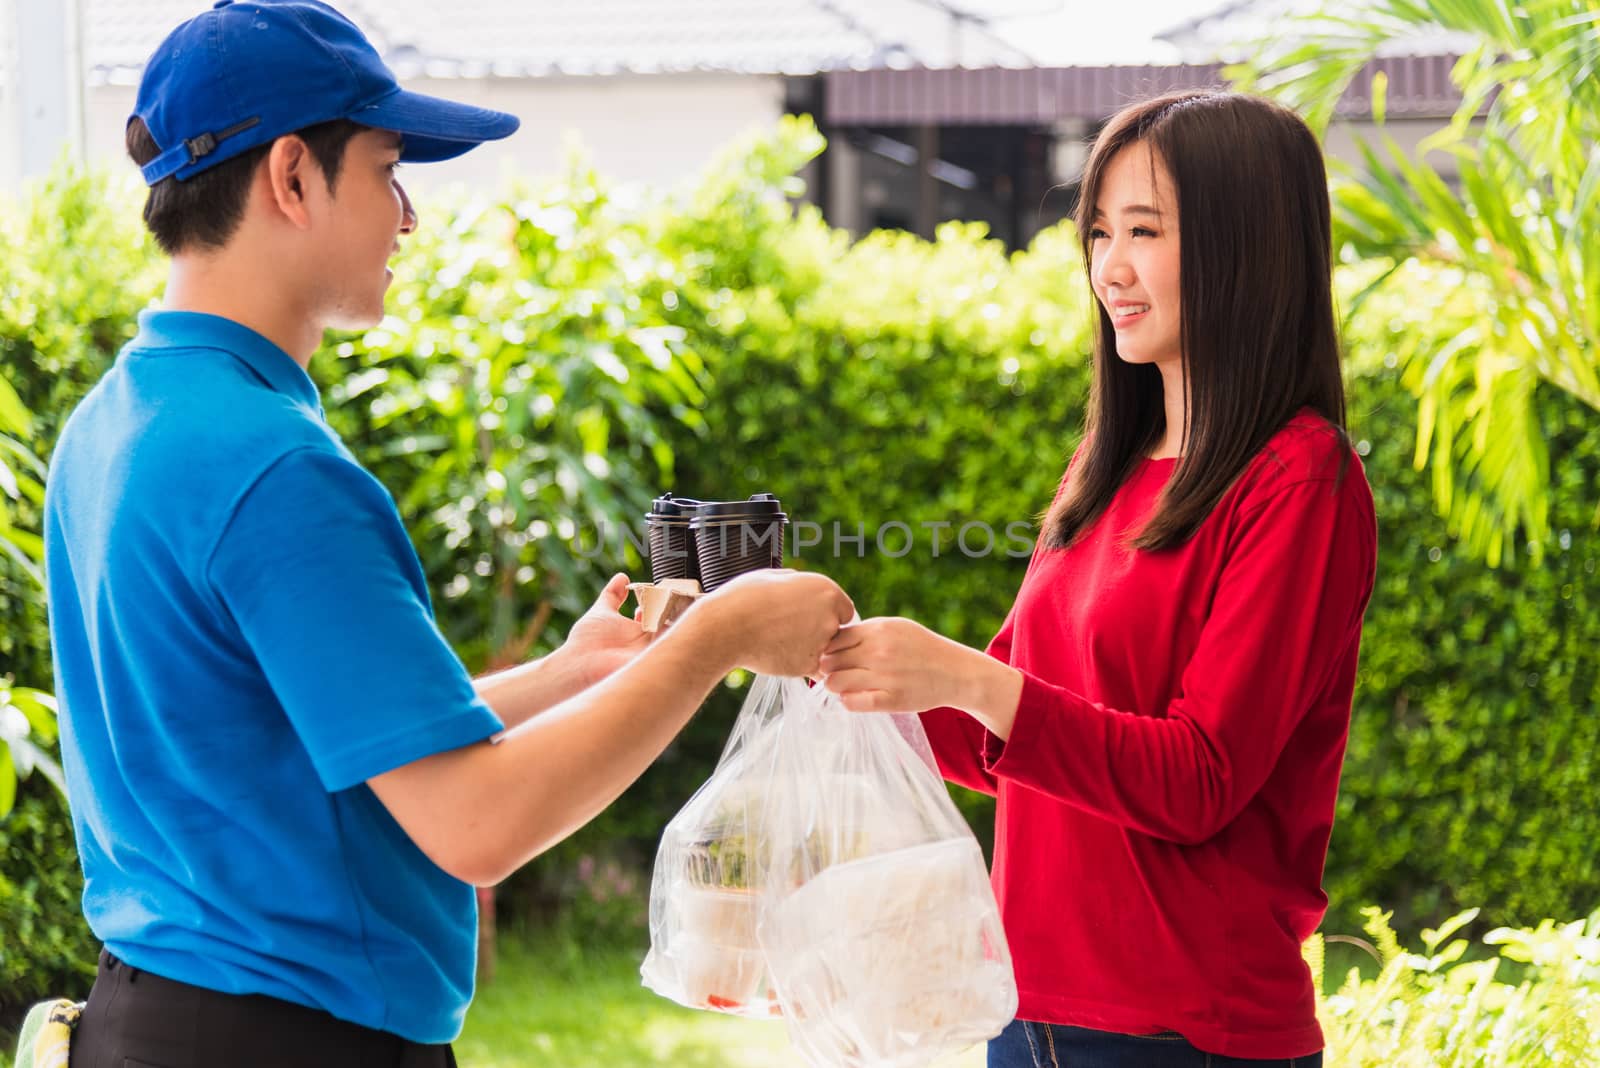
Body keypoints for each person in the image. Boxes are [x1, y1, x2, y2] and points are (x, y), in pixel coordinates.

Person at [43, 3, 852, 1066]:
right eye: (386, 169)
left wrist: (578, 673)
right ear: (291, 177)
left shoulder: (118, 420)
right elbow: (477, 825)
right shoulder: (275, 467)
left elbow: (308, 749)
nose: (408, 215)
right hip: (289, 1041)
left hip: (157, 1020)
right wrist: (717, 639)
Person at [819, 89, 1377, 1067]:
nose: (1108, 268)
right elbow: (1012, 743)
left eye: (1145, 231)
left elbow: (1199, 779)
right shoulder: (1104, 467)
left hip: (1186, 1034)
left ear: (1243, 246)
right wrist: (824, 663)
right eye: (1098, 231)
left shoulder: (1299, 476)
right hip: (1024, 1010)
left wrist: (969, 680)